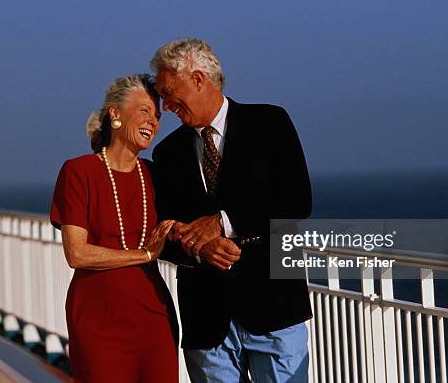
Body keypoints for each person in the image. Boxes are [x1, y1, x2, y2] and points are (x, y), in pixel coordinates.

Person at [151, 39, 313, 382]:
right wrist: (201, 246)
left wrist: (222, 223)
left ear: (198, 79)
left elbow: (297, 200)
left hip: (274, 308)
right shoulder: (167, 154)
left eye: (168, 92)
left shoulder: (269, 122)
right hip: (206, 319)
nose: (164, 106)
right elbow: (163, 233)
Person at [50, 74, 179, 382]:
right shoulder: (79, 171)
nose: (154, 122)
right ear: (115, 114)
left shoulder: (154, 174)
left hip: (153, 316)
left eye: (158, 116)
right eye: (145, 110)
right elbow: (77, 254)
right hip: (98, 321)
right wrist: (145, 254)